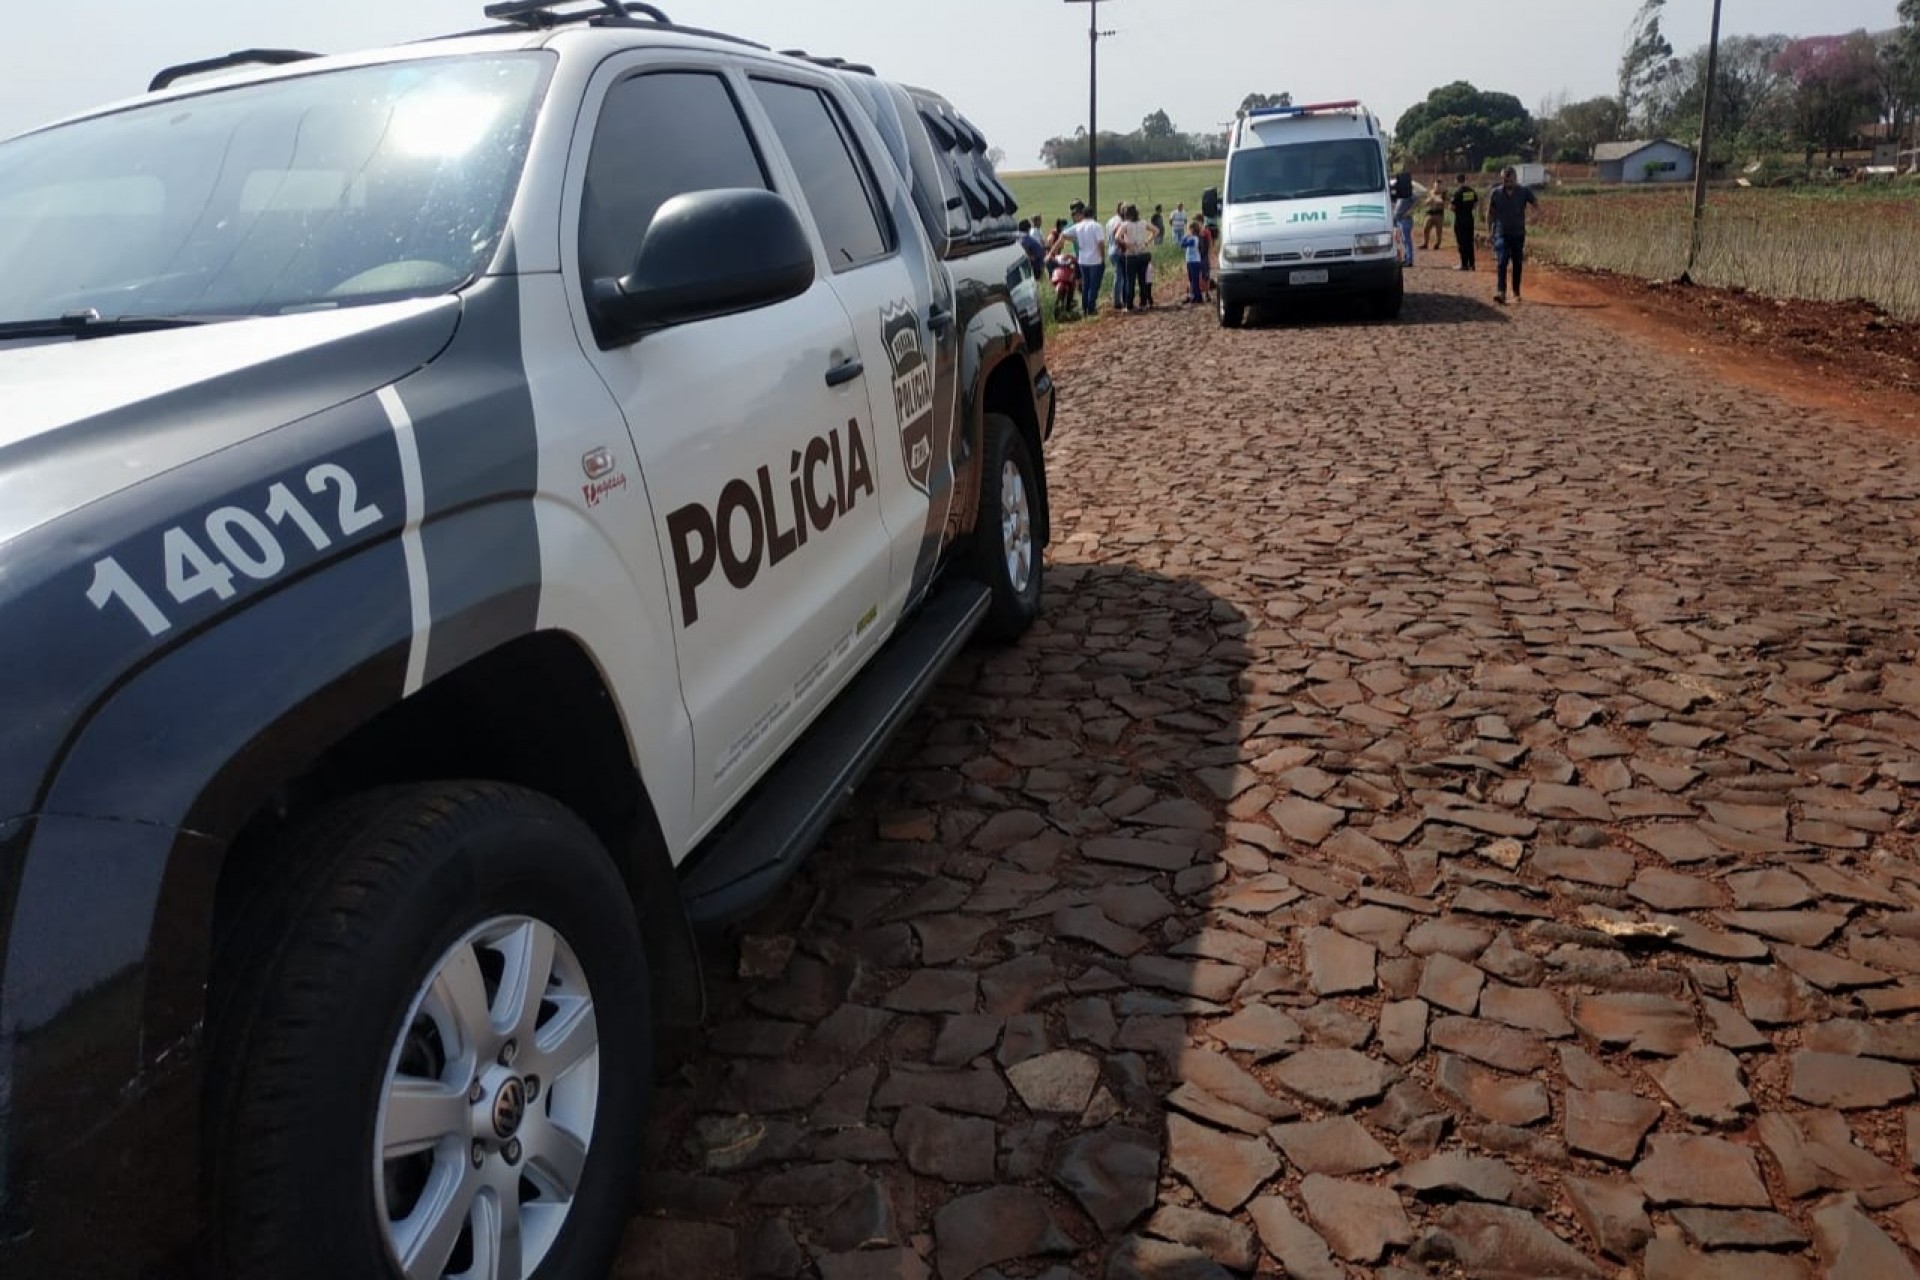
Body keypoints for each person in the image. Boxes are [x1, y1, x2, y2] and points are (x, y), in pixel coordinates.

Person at [1488, 165, 1539, 303]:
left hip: (1518, 233)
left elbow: (1536, 205)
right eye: (1505, 180)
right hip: (1501, 232)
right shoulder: (1495, 193)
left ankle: (1516, 292)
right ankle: (1501, 292)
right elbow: (1491, 213)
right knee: (1502, 261)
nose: (1508, 183)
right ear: (1502, 179)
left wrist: (1534, 216)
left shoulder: (1524, 191)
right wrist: (1490, 231)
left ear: (1515, 179)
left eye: (1510, 180)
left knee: (1517, 263)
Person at [1069, 201, 1108, 317]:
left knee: (1086, 285)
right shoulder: (1096, 226)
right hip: (1095, 260)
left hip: (1082, 260)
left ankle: (1084, 307)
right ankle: (1091, 308)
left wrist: (1075, 240)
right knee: (1094, 285)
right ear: (1093, 214)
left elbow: (1064, 235)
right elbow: (1101, 243)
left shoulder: (1077, 226)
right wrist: (1102, 257)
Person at [1121, 203, 1154, 310]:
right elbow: (1156, 231)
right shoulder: (1143, 223)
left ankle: (1129, 304)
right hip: (1143, 253)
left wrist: (1126, 244)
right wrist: (1146, 241)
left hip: (1131, 255)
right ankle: (1143, 303)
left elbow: (1117, 237)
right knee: (1142, 280)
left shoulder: (1125, 225)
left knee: (1130, 281)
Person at [1449, 174, 1478, 271]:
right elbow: (1475, 204)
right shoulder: (1471, 191)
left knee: (1461, 242)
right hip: (1470, 219)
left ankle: (1464, 264)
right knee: (1469, 241)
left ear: (1457, 180)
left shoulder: (1457, 192)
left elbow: (1452, 207)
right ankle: (1472, 264)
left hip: (1460, 220)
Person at [1390, 170, 1416, 267]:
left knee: (1406, 240)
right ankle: (1406, 258)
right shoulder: (1401, 192)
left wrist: (1410, 211)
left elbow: (1418, 199)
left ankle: (1409, 260)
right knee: (1401, 240)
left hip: (1405, 219)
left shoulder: (1409, 193)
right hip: (1398, 219)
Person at [1178, 221, 1206, 303]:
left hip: (1194, 262)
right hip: (1191, 261)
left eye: (1189, 229)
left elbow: (1182, 244)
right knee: (1192, 280)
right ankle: (1196, 296)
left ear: (1192, 229)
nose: (1188, 230)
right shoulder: (1194, 238)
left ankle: (1198, 297)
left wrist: (1185, 236)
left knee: (1194, 280)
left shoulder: (1194, 239)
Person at [1192, 213, 1215, 298]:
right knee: (1198, 275)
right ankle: (1200, 293)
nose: (1195, 223)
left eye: (1196, 221)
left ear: (1200, 221)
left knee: (1205, 275)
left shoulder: (1206, 231)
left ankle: (1207, 293)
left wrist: (1209, 254)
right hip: (1197, 255)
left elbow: (1209, 243)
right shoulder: (1195, 231)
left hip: (1204, 255)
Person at [1422, 180, 1447, 251]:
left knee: (1438, 231)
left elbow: (1443, 202)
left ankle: (1437, 244)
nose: (1437, 187)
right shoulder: (1430, 192)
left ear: (1441, 186)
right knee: (1425, 229)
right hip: (1430, 213)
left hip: (1439, 214)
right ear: (1433, 186)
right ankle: (1425, 243)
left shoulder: (1444, 193)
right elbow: (1425, 202)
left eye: (1439, 186)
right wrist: (1430, 199)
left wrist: (1435, 198)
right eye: (1436, 186)